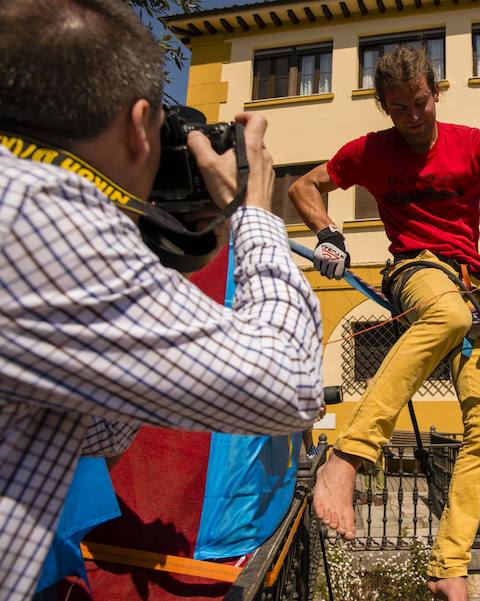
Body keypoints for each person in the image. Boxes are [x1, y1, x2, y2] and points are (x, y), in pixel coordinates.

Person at [0, 2, 324, 600]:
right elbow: (290, 384)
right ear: (137, 123)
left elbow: (98, 432)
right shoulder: (42, 218)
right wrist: (254, 208)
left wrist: (163, 249)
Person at [290, 46, 480, 601]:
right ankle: (348, 454)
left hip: (476, 284)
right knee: (448, 313)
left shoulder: (472, 143)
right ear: (384, 108)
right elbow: (302, 188)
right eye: (400, 108)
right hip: (414, 269)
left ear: (437, 92)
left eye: (421, 102)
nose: (414, 116)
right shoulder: (367, 152)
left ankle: (448, 565)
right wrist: (329, 236)